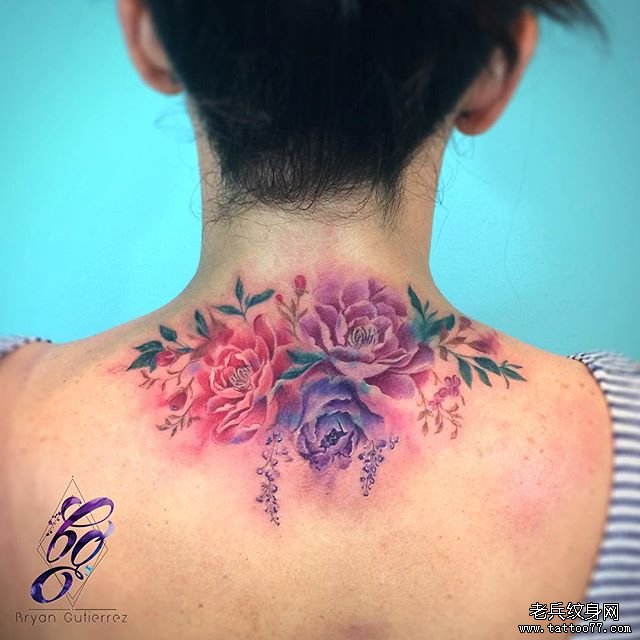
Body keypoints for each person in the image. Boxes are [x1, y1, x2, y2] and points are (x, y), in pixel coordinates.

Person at [1, 1, 638, 638]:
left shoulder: (16, 426)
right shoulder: (620, 455)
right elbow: (586, 624)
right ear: (496, 69)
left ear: (148, 36)